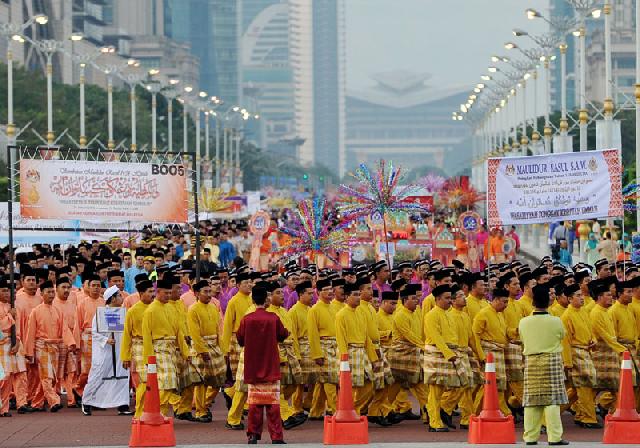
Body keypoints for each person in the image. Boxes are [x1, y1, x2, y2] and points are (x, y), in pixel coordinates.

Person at [237, 285, 288, 444]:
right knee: (273, 405)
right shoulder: (273, 318)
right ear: (266, 299)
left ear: (252, 300)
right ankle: (277, 437)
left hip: (253, 366)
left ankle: (253, 435)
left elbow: (240, 339)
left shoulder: (247, 319)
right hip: (271, 365)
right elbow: (283, 334)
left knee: (254, 405)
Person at [518, 285, 569, 446]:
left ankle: (530, 437)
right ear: (548, 302)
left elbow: (523, 339)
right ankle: (554, 437)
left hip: (532, 361)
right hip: (551, 360)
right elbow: (562, 335)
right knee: (552, 401)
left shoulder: (524, 322)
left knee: (532, 401)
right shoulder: (556, 321)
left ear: (533, 302)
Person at [24, 281, 76, 412]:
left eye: (52, 292)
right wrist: (29, 351)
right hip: (42, 346)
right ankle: (54, 401)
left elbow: (64, 329)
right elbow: (30, 333)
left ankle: (37, 403)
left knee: (52, 378)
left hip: (56, 347)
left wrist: (71, 343)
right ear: (41, 293)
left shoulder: (57, 310)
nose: (51, 294)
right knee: (47, 376)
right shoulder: (36, 311)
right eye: (48, 292)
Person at [81, 286, 131, 416]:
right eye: (119, 295)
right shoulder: (100, 313)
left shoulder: (123, 313)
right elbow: (95, 332)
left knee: (122, 376)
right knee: (98, 376)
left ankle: (122, 405)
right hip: (105, 351)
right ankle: (87, 402)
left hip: (120, 350)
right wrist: (106, 340)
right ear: (112, 298)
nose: (122, 297)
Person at [186, 279, 226, 423]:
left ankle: (204, 404)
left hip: (215, 346)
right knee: (201, 382)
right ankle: (200, 411)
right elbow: (194, 334)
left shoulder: (213, 307)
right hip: (200, 347)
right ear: (197, 293)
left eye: (210, 291)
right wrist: (202, 350)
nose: (209, 295)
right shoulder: (193, 309)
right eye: (206, 292)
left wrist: (221, 349)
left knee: (218, 380)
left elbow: (218, 329)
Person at [560, 284, 600, 428]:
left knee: (580, 389)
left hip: (586, 352)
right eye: (577, 296)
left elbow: (591, 331)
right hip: (575, 353)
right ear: (569, 299)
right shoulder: (566, 316)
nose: (581, 298)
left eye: (581, 295)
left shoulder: (583, 311)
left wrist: (593, 341)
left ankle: (579, 414)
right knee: (585, 386)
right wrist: (568, 362)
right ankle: (588, 418)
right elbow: (565, 341)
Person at [121, 278, 155, 418]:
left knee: (156, 381)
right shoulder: (133, 311)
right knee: (144, 380)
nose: (153, 294)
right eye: (150, 292)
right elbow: (127, 335)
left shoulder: (156, 307)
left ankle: (152, 411)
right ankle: (139, 413)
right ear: (141, 294)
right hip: (139, 346)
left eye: (154, 291)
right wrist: (125, 356)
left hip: (155, 346)